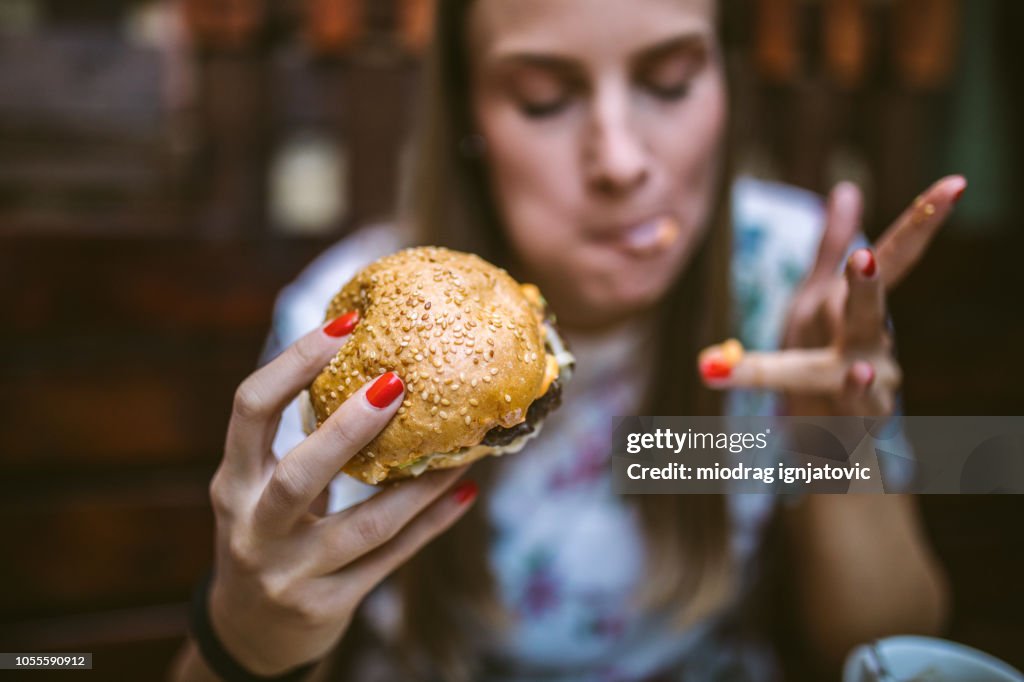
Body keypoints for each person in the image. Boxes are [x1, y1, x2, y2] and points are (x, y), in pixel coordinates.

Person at [171, 0, 958, 679]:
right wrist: (253, 634)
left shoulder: (797, 280)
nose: (619, 161)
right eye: (544, 98)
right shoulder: (351, 331)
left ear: (727, 82)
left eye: (671, 82)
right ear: (469, 118)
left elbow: (887, 645)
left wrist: (836, 440)